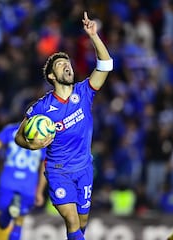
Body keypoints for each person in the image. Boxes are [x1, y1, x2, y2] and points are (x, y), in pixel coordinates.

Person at [15, 11, 113, 240]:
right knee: (71, 220)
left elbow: (106, 65)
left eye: (67, 63)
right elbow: (19, 136)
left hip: (85, 168)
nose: (67, 66)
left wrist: (94, 36)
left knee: (81, 222)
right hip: (58, 171)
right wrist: (33, 144)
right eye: (60, 64)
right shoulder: (42, 107)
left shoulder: (84, 92)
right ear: (51, 76)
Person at [0, 121, 46, 240]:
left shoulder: (11, 130)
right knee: (19, 221)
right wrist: (40, 190)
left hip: (8, 181)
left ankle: (8, 212)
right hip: (28, 184)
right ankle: (17, 210)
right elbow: (45, 164)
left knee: (3, 223)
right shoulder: (43, 135)